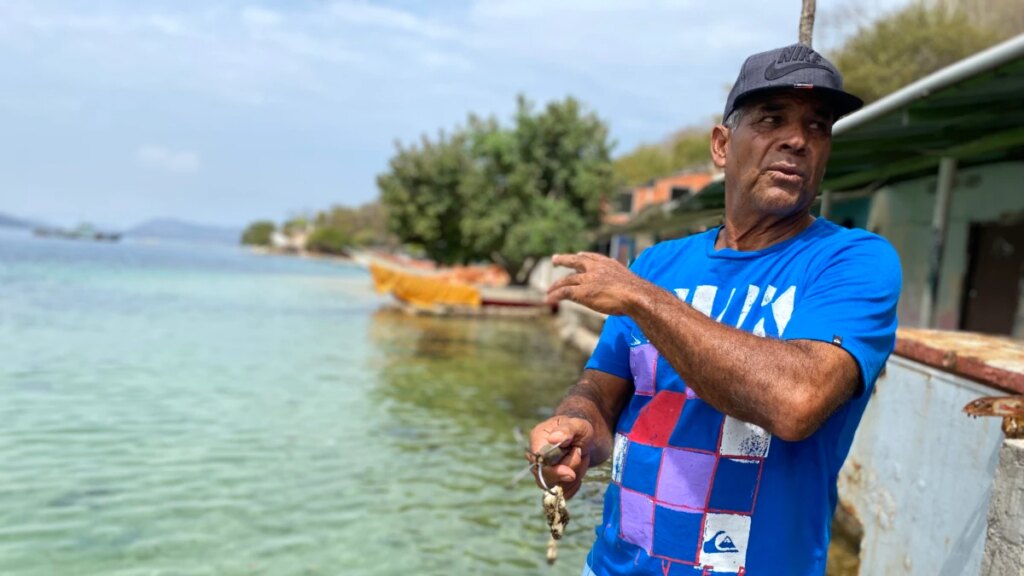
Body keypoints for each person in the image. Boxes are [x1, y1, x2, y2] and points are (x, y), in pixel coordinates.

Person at [529, 43, 901, 576]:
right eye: (772, 119)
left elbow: (796, 401)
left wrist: (641, 297)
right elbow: (602, 393)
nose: (797, 140)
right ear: (722, 146)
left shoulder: (853, 262)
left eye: (817, 127)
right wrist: (577, 427)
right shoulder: (658, 264)